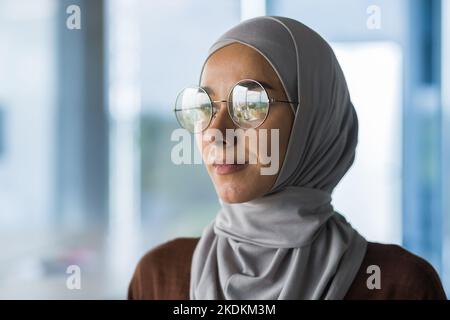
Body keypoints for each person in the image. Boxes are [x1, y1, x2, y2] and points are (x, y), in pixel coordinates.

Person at [128, 16, 447, 300]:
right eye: (205, 106)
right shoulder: (159, 276)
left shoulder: (397, 285)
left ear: (314, 119)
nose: (216, 130)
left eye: (251, 103)